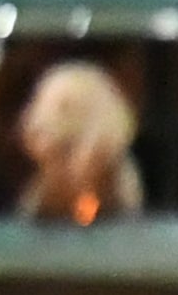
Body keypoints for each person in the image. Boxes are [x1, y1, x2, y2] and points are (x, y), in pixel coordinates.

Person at [15, 57, 144, 225]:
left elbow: (87, 213)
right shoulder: (42, 191)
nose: (38, 121)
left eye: (65, 108)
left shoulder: (117, 190)